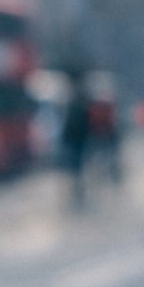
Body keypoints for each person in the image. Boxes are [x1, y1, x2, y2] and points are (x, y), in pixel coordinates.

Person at [60, 73, 92, 210]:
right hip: (77, 140)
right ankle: (77, 190)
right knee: (76, 168)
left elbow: (72, 124)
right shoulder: (80, 102)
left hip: (76, 140)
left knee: (75, 168)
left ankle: (77, 190)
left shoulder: (74, 103)